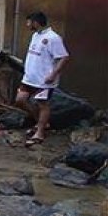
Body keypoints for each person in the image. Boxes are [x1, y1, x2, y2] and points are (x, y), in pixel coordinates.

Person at [15, 11, 69, 147]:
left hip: (44, 80)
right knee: (20, 100)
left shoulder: (53, 38)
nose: (27, 25)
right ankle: (41, 121)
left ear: (36, 22)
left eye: (29, 22)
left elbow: (64, 57)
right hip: (29, 78)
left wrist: (53, 74)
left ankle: (39, 132)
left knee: (42, 104)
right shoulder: (35, 35)